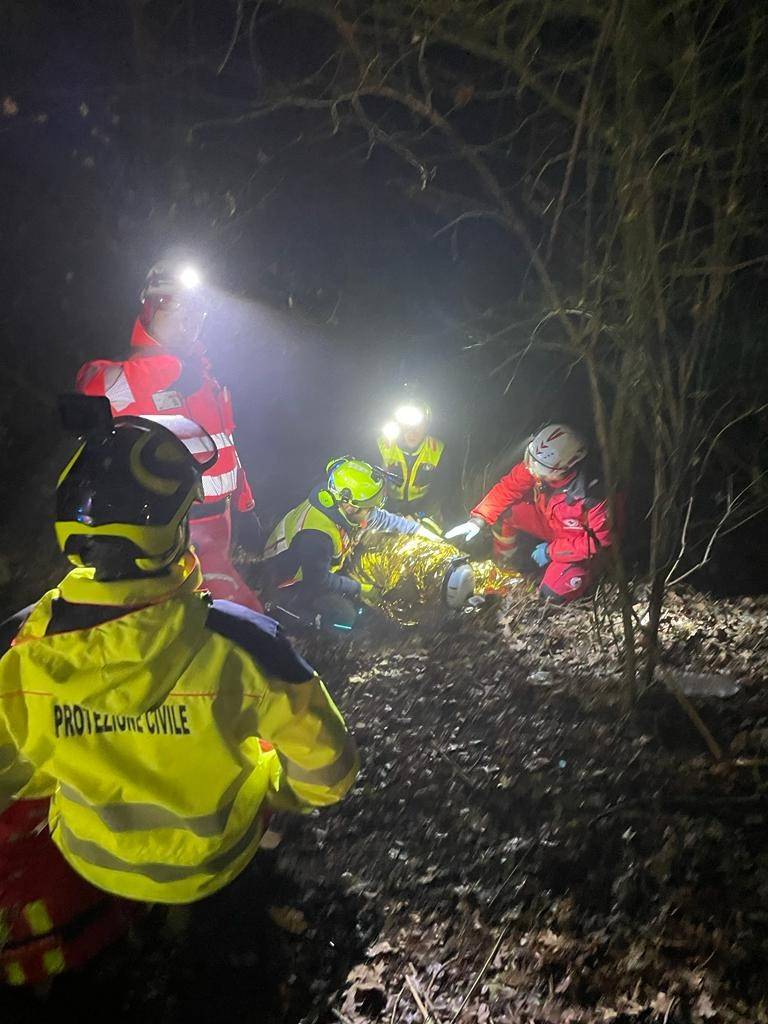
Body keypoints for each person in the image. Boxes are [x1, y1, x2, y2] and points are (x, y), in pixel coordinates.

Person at [0, 404, 358, 931]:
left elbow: (14, 773)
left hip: (89, 857)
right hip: (218, 858)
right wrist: (271, 791)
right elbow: (330, 774)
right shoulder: (247, 645)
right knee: (262, 749)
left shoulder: (20, 648)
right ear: (172, 529)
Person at [75, 259, 262, 611]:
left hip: (218, 525)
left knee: (220, 621)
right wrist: (171, 369)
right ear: (151, 308)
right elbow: (91, 388)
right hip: (167, 529)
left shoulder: (206, 376)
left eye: (198, 314)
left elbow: (225, 443)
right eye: (179, 310)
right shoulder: (131, 372)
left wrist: (244, 502)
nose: (190, 323)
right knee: (237, 618)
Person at [260, 457, 440, 627]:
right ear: (349, 506)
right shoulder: (317, 535)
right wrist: (360, 588)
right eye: (369, 510)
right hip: (289, 581)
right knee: (345, 617)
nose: (371, 515)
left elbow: (381, 519)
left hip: (318, 566)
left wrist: (418, 531)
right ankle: (282, 610)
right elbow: (317, 580)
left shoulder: (338, 500)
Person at [446, 424, 615, 604]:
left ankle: (582, 578)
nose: (533, 471)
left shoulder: (594, 495)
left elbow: (600, 542)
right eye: (532, 462)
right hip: (552, 524)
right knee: (508, 510)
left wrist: (551, 551)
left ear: (567, 467)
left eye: (540, 469)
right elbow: (508, 488)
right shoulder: (540, 466)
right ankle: (505, 564)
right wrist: (479, 519)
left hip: (579, 546)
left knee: (552, 594)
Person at [376, 399, 447, 520]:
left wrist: (418, 515)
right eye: (407, 426)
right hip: (387, 508)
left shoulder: (438, 449)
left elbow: (441, 491)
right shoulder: (382, 445)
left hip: (424, 512)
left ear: (427, 426)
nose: (412, 432)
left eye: (419, 426)